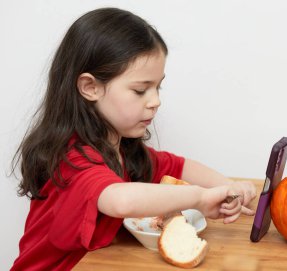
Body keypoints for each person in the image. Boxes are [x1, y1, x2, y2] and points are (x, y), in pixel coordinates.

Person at [11, 7, 257, 270]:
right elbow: (120, 200)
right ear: (90, 87)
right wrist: (199, 198)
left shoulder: (121, 147)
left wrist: (229, 187)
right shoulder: (72, 158)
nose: (155, 101)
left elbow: (178, 166)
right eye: (140, 90)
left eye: (157, 87)